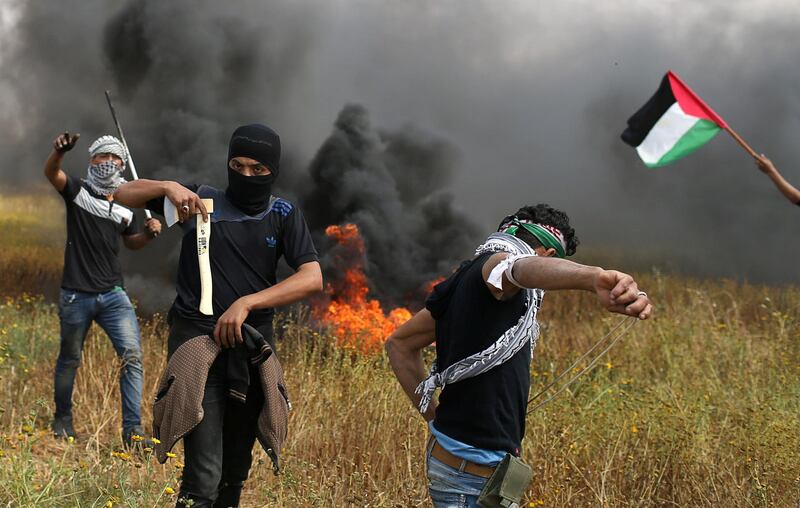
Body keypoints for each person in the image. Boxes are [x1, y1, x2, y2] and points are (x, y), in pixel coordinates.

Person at [385, 204, 653, 508]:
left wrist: (434, 420)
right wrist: (593, 278)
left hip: (464, 469)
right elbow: (517, 269)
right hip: (469, 482)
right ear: (550, 257)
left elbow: (400, 344)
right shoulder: (496, 268)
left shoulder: (464, 280)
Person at [114, 123, 323, 507]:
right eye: (237, 165)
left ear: (272, 172)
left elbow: (311, 278)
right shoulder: (199, 201)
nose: (246, 175)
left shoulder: (283, 214)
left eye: (257, 169)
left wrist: (246, 303)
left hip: (251, 352)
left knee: (234, 474)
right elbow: (121, 194)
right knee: (203, 478)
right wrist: (167, 187)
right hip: (198, 349)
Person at [44, 132, 162, 444]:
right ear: (91, 159)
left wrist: (148, 236)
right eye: (102, 156)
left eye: (114, 157)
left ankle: (132, 434)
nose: (108, 162)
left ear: (123, 163)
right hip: (75, 294)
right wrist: (59, 152)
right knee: (69, 358)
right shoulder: (77, 191)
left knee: (132, 358)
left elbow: (131, 244)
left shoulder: (127, 204)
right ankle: (62, 419)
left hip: (113, 294)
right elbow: (51, 173)